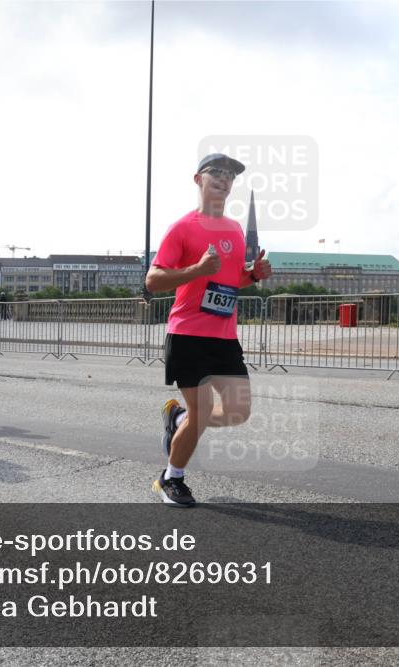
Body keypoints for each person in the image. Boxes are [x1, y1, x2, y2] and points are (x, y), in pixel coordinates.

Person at [145, 153, 273, 507]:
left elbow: (232, 281)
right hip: (187, 335)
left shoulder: (233, 229)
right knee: (203, 413)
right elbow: (153, 280)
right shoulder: (183, 227)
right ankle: (171, 479)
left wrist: (253, 274)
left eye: (230, 175)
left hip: (224, 337)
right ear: (197, 179)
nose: (223, 178)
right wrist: (196, 270)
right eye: (215, 171)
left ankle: (179, 418)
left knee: (238, 411)